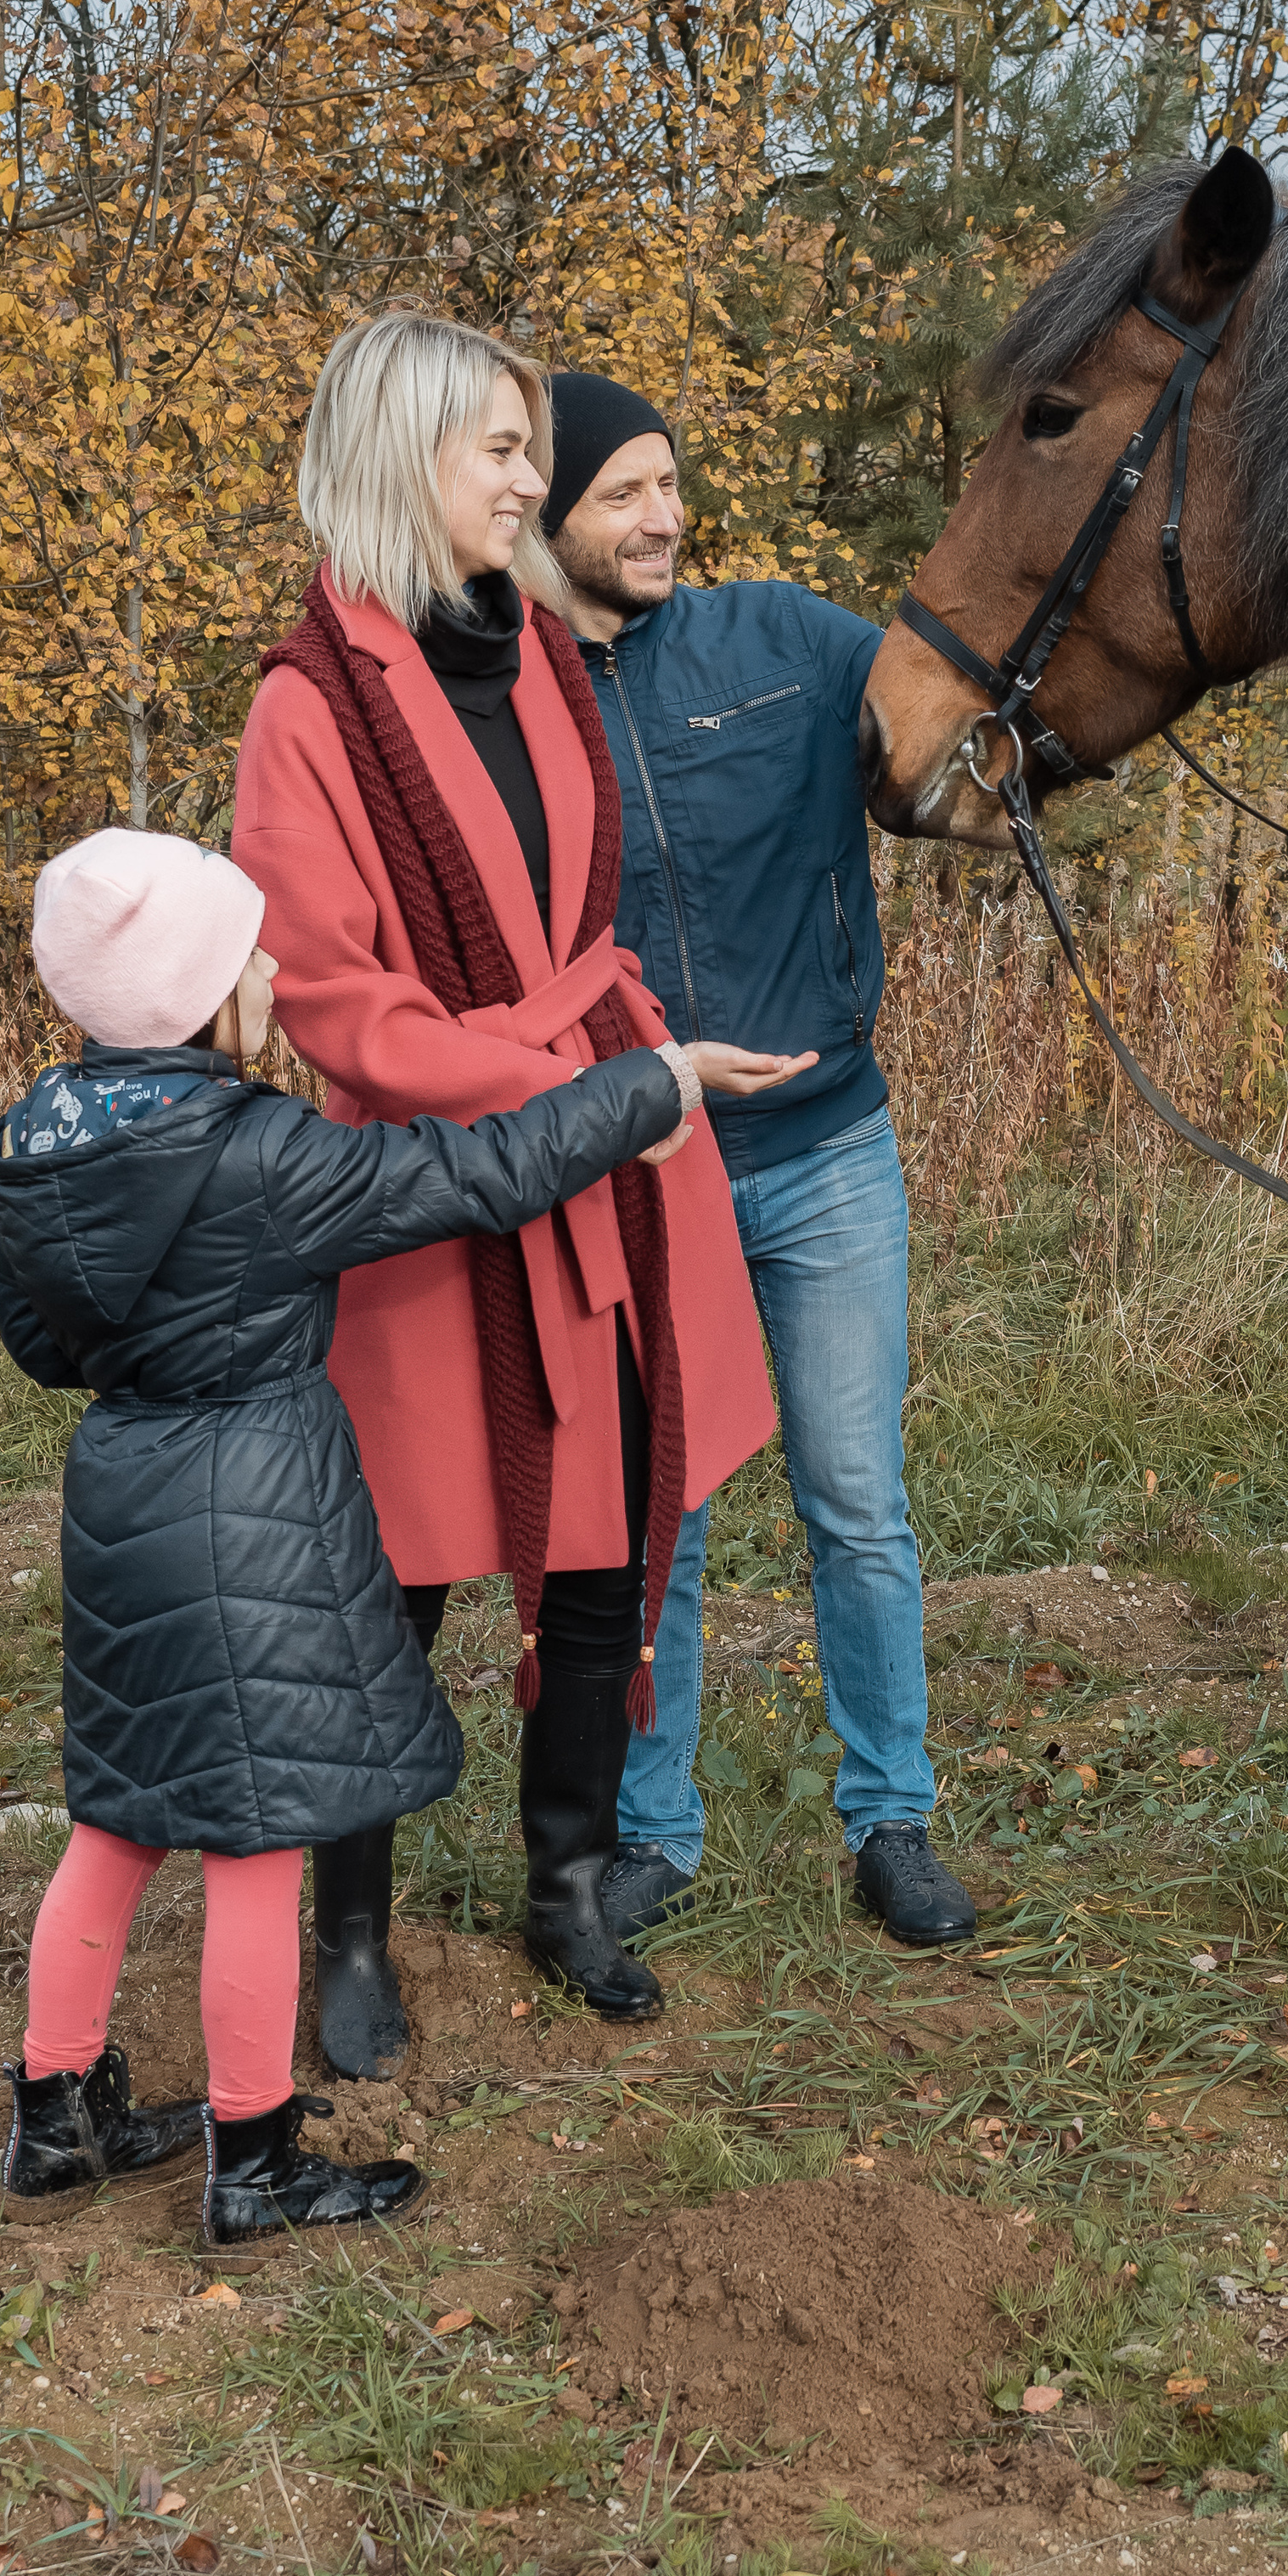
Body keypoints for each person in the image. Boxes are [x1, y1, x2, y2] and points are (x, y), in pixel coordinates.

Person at [0, 829, 706, 2242]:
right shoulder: (256, 1152)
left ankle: (53, 2119)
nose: (272, 966)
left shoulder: (37, 1151)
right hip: (254, 1510)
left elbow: (37, 1345)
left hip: (121, 1501)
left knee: (117, 1821)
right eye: (248, 950)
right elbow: (478, 1171)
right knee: (260, 1843)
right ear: (198, 994)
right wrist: (647, 1083)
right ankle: (253, 2157)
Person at [233, 312, 809, 2083]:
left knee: (596, 1545)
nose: (523, 479)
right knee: (382, 1583)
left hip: (597, 1170)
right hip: (419, 1191)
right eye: (497, 447)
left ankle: (565, 1883)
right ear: (406, 455)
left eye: (526, 445)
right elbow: (333, 1000)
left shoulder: (551, 659)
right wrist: (583, 1093)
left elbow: (579, 918)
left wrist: (608, 1082)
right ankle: (348, 1928)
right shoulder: (307, 705)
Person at [541, 373, 976, 1949]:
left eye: (671, 485)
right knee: (668, 1515)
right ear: (550, 518)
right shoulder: (521, 700)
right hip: (647, 1172)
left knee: (857, 1497)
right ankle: (654, 1829)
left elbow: (952, 728)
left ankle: (893, 1819)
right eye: (622, 494)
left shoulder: (783, 638)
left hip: (827, 1155)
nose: (660, 517)